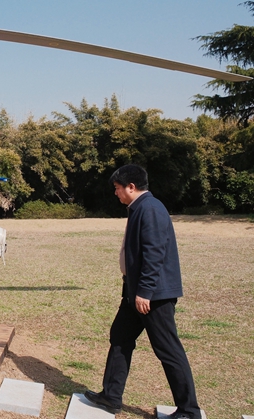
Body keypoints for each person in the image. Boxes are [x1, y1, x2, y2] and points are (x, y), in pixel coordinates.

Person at [85, 164, 201, 419]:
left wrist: (145, 292)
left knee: (168, 350)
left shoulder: (150, 209)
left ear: (131, 187)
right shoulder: (138, 209)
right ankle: (111, 396)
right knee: (120, 337)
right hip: (136, 292)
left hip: (153, 296)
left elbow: (154, 253)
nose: (115, 193)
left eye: (117, 189)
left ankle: (189, 411)